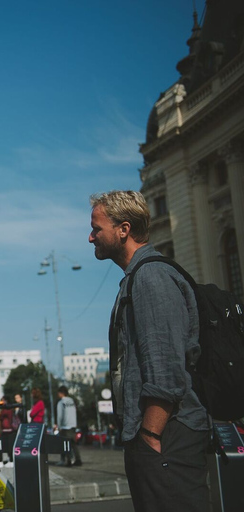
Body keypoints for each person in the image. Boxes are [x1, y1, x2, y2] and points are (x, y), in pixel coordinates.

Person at [89, 190, 209, 512]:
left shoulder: (150, 277)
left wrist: (149, 435)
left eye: (97, 228)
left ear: (123, 229)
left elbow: (166, 369)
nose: (91, 237)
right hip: (159, 438)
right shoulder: (136, 278)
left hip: (167, 437)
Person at [54, 386, 81, 466]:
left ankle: (68, 460)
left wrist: (59, 426)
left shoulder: (61, 402)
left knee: (65, 444)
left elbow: (60, 415)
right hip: (73, 425)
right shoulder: (71, 401)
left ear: (61, 393)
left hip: (65, 426)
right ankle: (78, 459)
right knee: (73, 443)